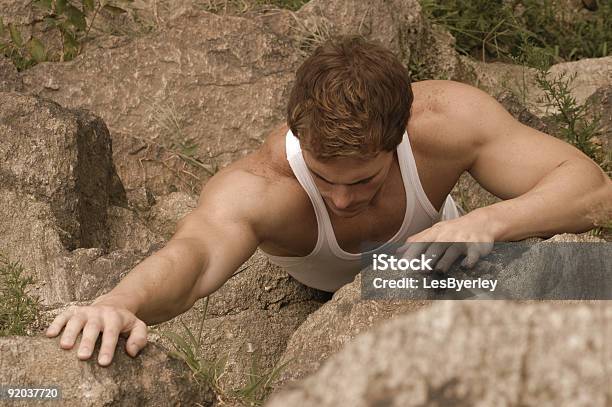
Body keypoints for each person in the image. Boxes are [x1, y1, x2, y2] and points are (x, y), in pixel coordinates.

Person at [46, 35, 612, 366]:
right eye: (323, 178)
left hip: (440, 268)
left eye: (363, 181)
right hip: (325, 298)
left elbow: (593, 189)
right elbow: (190, 258)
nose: (341, 200)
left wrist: (487, 223)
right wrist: (120, 301)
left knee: (586, 281)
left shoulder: (448, 121)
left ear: (400, 137)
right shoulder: (261, 186)